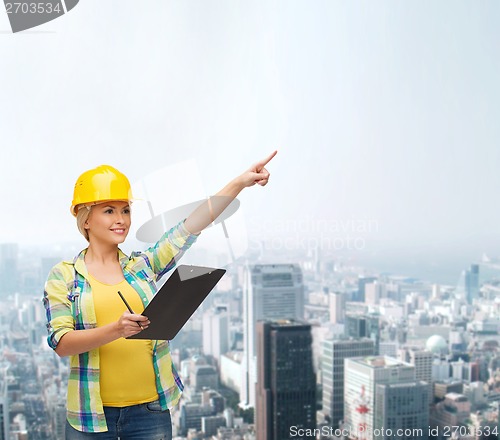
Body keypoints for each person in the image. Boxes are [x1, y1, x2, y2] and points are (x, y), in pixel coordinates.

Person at [43, 151, 277, 439]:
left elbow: (190, 226)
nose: (122, 220)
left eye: (125, 210)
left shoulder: (143, 266)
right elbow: (62, 343)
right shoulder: (64, 276)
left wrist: (240, 182)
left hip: (149, 414)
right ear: (85, 219)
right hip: (91, 418)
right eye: (109, 211)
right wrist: (117, 329)